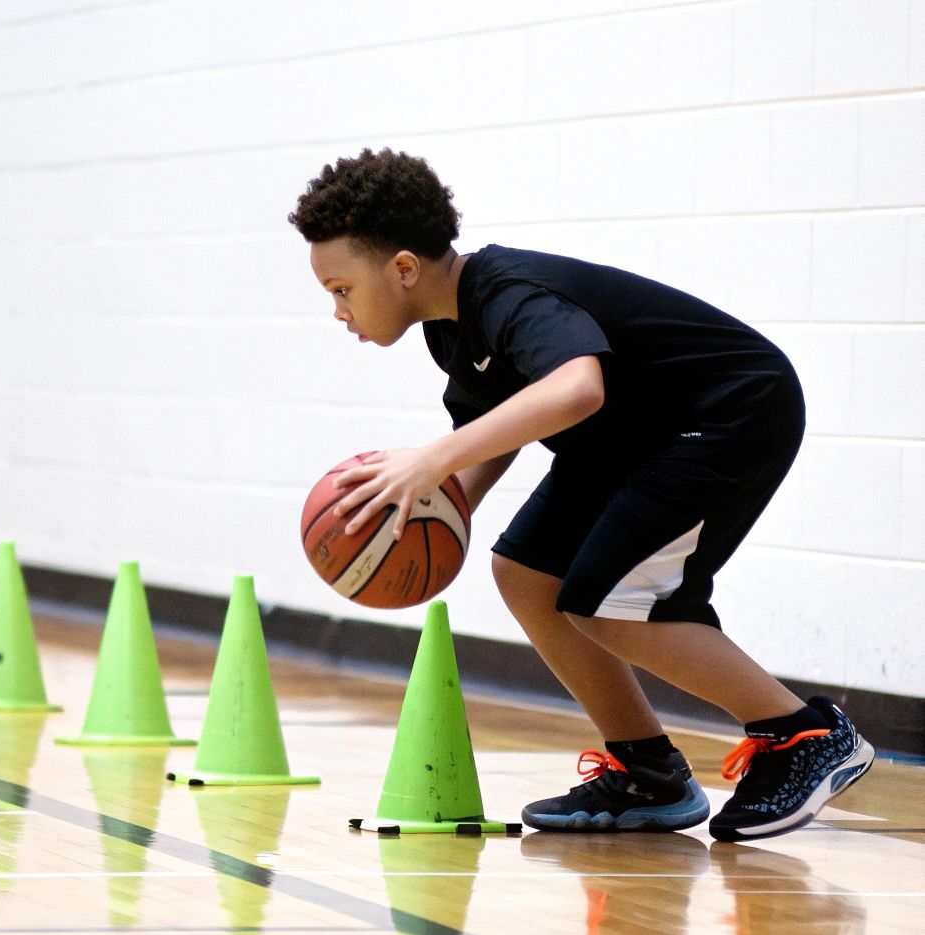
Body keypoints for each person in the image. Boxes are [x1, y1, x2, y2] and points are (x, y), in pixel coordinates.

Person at [289, 147, 874, 841]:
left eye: (342, 289)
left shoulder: (508, 292)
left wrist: (430, 460)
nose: (338, 311)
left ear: (405, 268)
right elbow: (493, 432)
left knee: (611, 603)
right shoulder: (450, 331)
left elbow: (576, 389)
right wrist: (437, 512)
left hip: (725, 414)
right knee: (525, 572)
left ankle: (805, 736)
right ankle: (647, 770)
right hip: (634, 440)